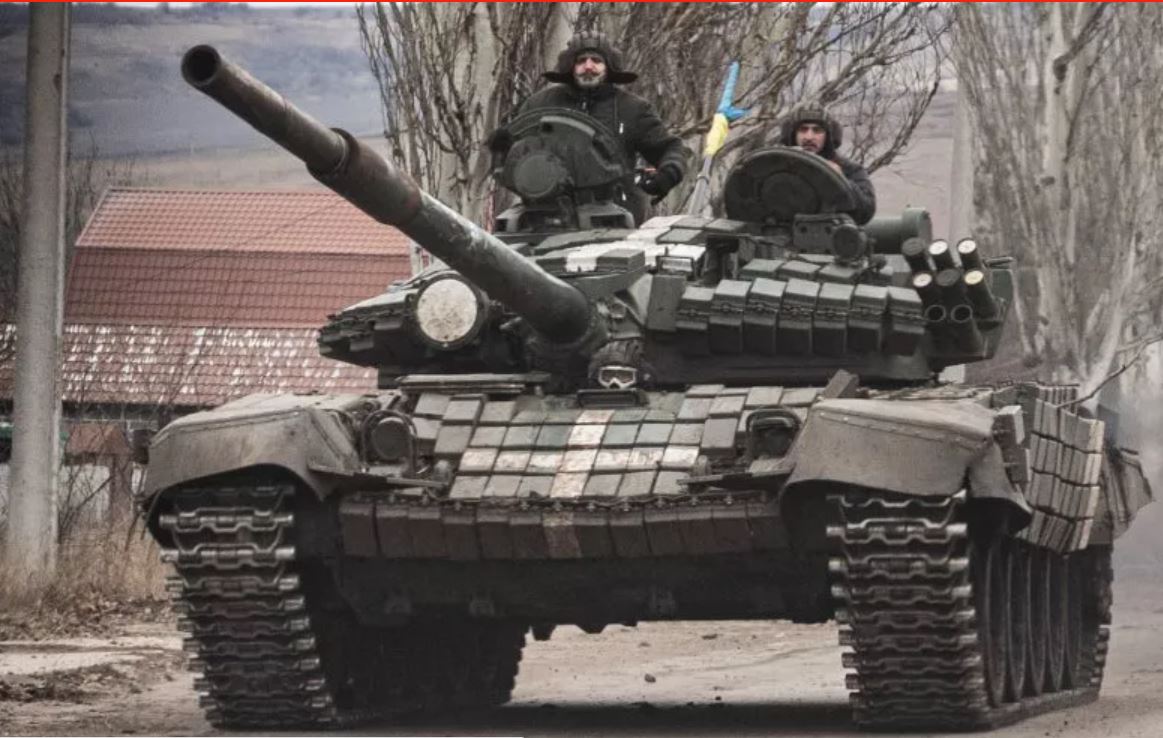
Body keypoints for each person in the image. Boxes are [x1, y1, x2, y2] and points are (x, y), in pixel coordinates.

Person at [505, 31, 689, 221]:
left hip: (614, 217)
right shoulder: (540, 105)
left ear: (608, 66)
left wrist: (669, 172)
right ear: (570, 65)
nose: (588, 66)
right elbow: (510, 150)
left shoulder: (632, 109)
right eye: (581, 61)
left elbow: (670, 147)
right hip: (546, 217)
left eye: (596, 60)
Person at [779, 107, 876, 225]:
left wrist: (841, 180)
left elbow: (866, 211)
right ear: (793, 134)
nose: (809, 137)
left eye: (817, 130)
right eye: (803, 130)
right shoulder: (774, 166)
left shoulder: (849, 169)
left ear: (829, 136)